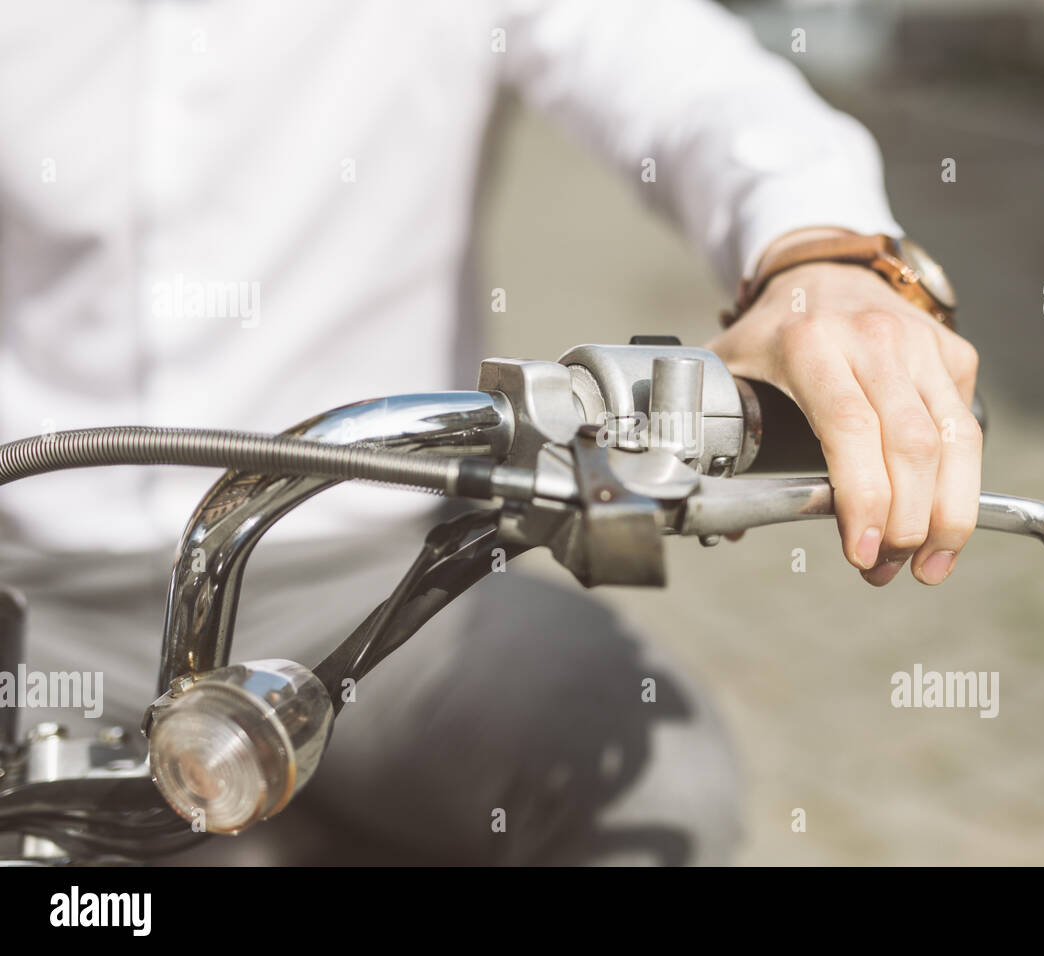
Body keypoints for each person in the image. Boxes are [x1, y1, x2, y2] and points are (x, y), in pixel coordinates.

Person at [0, 0, 980, 864]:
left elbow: (685, 78)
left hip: (388, 591)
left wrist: (825, 257)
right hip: (36, 592)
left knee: (658, 777)